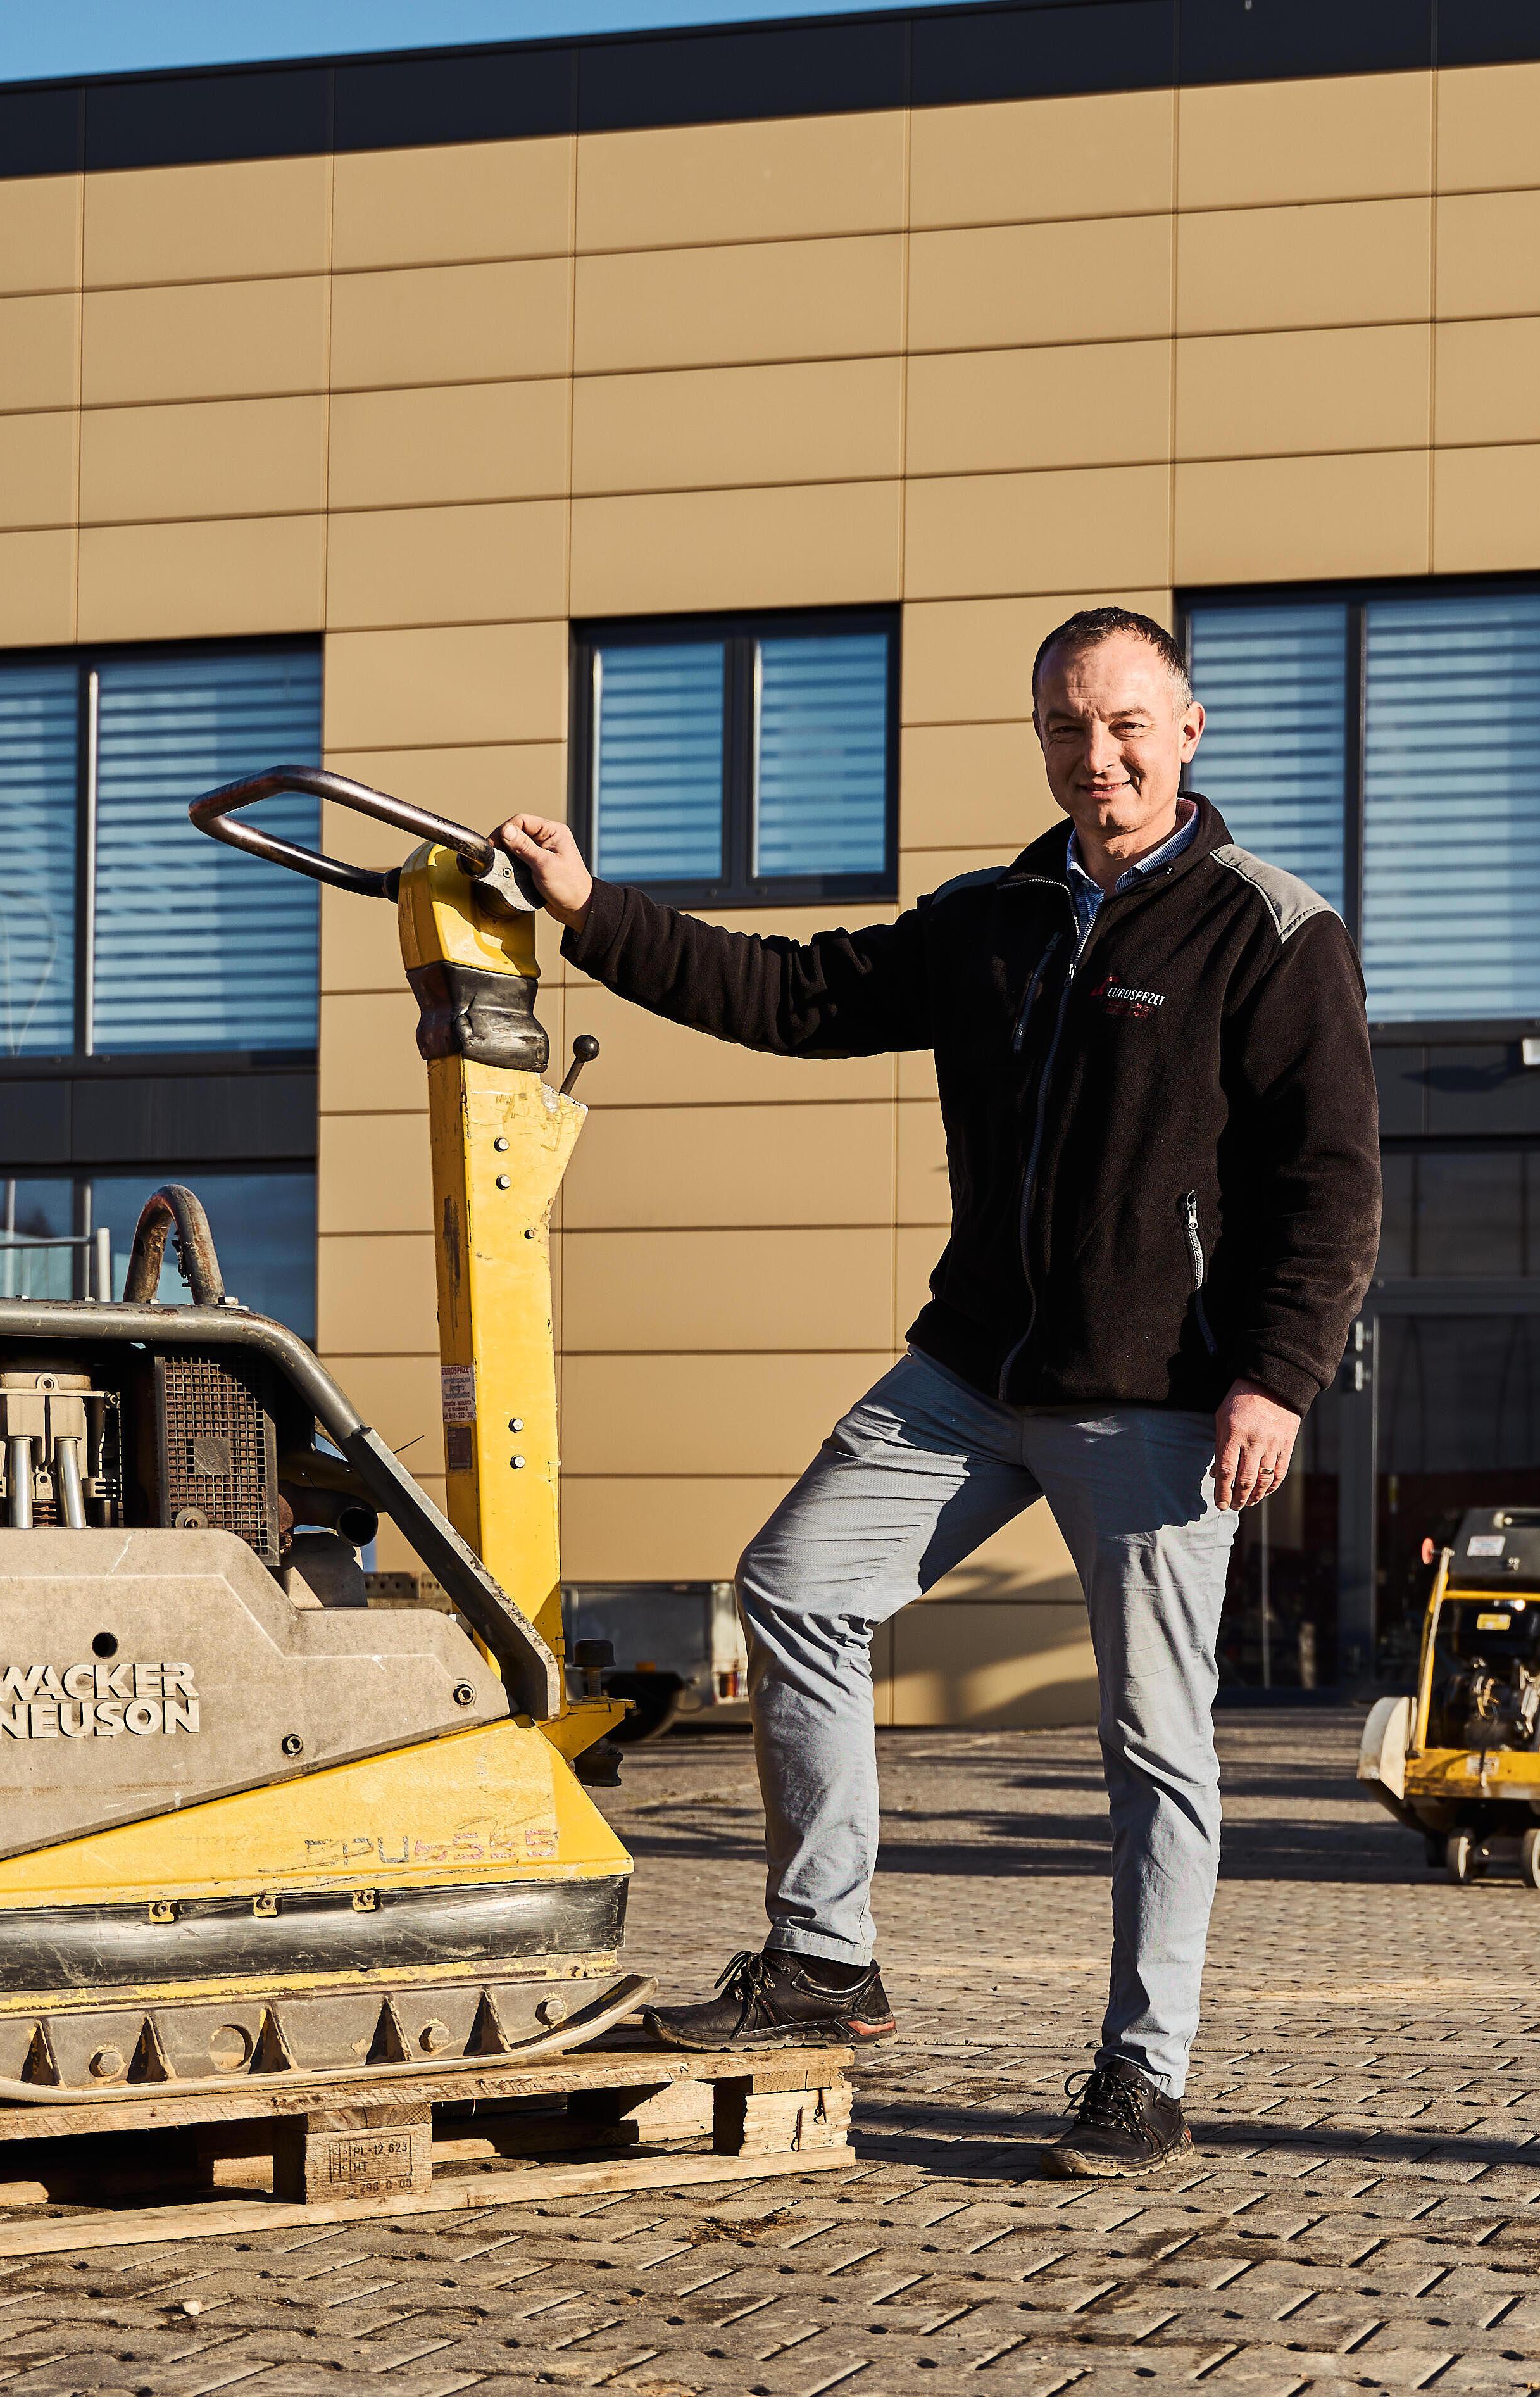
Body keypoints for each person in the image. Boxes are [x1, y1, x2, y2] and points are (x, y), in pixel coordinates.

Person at [487, 607, 1377, 2177]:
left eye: (1122, 726)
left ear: (1187, 729)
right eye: (1063, 729)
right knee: (795, 1587)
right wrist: (590, 912)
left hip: (1163, 1400)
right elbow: (794, 995)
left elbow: (1330, 1187)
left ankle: (1138, 2067)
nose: (1093, 757)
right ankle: (825, 1956)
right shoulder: (996, 921)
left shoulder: (1271, 932)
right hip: (974, 1373)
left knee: (1154, 1740)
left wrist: (1277, 1380)